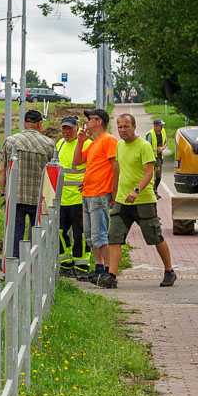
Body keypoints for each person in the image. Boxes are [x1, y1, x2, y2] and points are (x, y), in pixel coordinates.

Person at [112, 113, 177, 287]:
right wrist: (114, 193)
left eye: (126, 126)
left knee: (155, 236)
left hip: (143, 200)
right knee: (114, 237)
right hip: (122, 200)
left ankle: (169, 271)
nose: (123, 130)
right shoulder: (119, 145)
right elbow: (117, 170)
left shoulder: (144, 146)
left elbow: (150, 172)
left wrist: (136, 190)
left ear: (134, 127)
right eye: (120, 127)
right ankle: (111, 276)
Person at [73, 108, 120, 288]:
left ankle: (109, 271)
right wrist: (80, 142)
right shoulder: (93, 143)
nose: (87, 123)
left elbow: (115, 166)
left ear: (99, 121)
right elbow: (77, 162)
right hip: (88, 193)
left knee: (100, 234)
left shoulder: (108, 140)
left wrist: (114, 190)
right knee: (91, 235)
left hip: (100, 193)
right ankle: (99, 267)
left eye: (90, 119)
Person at [1, 109, 56, 259]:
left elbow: (2, 170)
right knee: (40, 234)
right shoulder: (49, 144)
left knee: (15, 233)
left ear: (25, 123)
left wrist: (3, 192)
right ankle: (37, 265)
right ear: (40, 124)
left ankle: (15, 266)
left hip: (16, 196)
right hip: (39, 198)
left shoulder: (11, 141)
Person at [53, 115, 93, 280]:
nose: (67, 131)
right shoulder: (60, 144)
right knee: (59, 231)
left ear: (77, 128)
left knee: (80, 234)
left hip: (79, 199)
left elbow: (94, 167)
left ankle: (82, 266)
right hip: (62, 199)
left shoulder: (87, 144)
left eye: (70, 128)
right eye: (64, 128)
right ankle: (66, 264)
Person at [148, 116, 168, 195]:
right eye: (160, 125)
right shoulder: (150, 134)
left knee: (158, 176)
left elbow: (166, 142)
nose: (162, 127)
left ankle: (155, 189)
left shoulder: (163, 132)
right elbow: (147, 146)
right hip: (151, 158)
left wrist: (162, 148)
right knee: (151, 176)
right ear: (155, 126)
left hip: (159, 158)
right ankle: (153, 192)